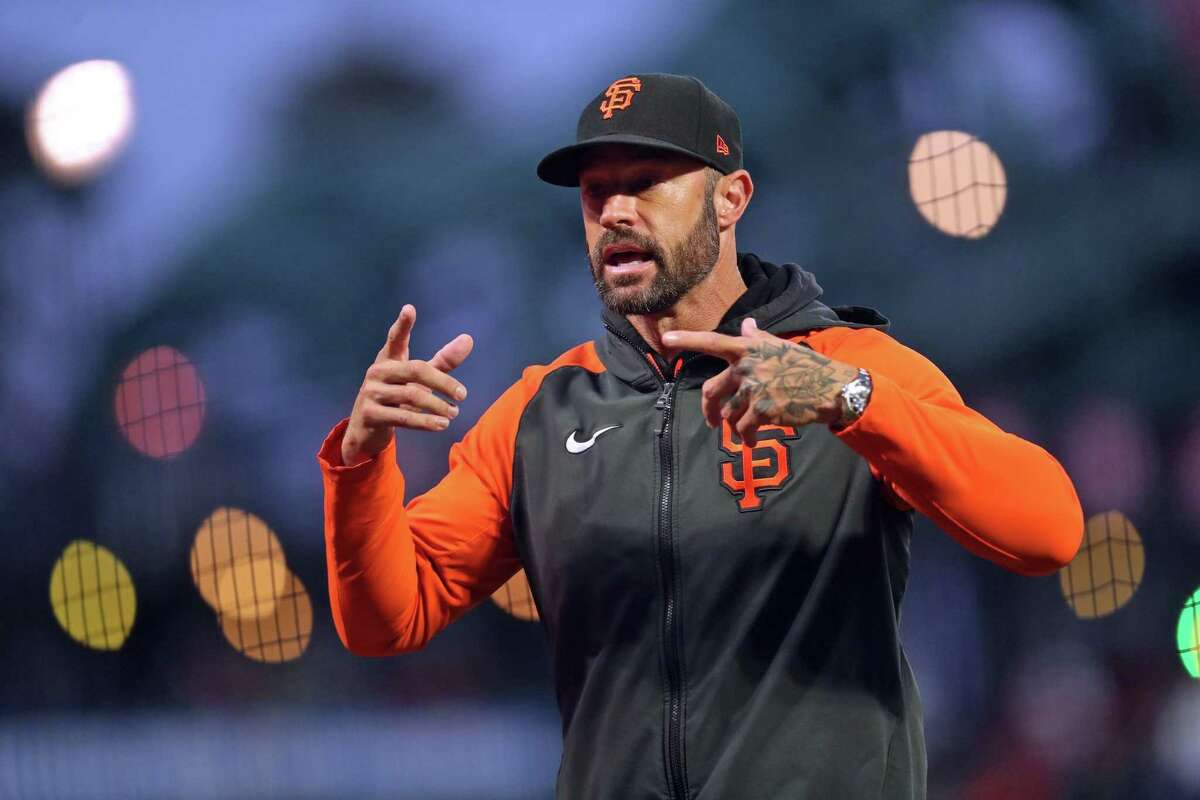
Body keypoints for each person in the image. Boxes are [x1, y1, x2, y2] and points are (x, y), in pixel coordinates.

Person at [317, 73, 1084, 800]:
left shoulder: (844, 365)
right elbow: (390, 618)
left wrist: (849, 402)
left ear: (730, 198)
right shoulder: (541, 413)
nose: (615, 210)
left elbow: (1048, 530)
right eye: (595, 192)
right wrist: (362, 463)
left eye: (645, 182)